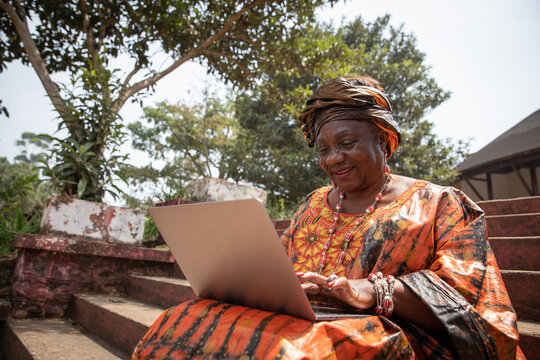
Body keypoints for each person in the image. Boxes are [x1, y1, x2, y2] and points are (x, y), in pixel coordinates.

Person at [132, 76, 524, 359]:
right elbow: (279, 268)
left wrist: (369, 292)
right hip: (304, 319)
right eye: (323, 149)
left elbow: (468, 306)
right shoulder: (314, 203)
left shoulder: (440, 204)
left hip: (392, 335)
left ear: (384, 141)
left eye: (347, 143)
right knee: (184, 318)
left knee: (303, 351)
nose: (332, 158)